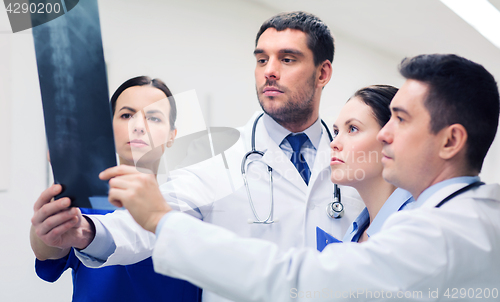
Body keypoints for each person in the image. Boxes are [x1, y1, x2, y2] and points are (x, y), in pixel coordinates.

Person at [105, 54, 500, 301]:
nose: (384, 135)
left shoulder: (444, 232)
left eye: (401, 119)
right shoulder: (442, 217)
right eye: (261, 59)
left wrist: (161, 220)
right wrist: (93, 231)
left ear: (451, 141)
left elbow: (298, 281)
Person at [32, 11, 365, 302]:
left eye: (287, 59)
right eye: (262, 59)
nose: (270, 71)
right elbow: (151, 221)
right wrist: (89, 231)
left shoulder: (362, 161)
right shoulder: (217, 159)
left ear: (322, 73)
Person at [30, 76, 201, 302]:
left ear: (172, 135)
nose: (138, 126)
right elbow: (48, 252)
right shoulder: (84, 202)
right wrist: (48, 223)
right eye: (127, 115)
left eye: (154, 117)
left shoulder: (192, 205)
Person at [317, 85, 414, 250]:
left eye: (352, 129)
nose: (334, 143)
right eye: (336, 132)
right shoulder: (356, 232)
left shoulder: (416, 226)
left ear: (391, 139)